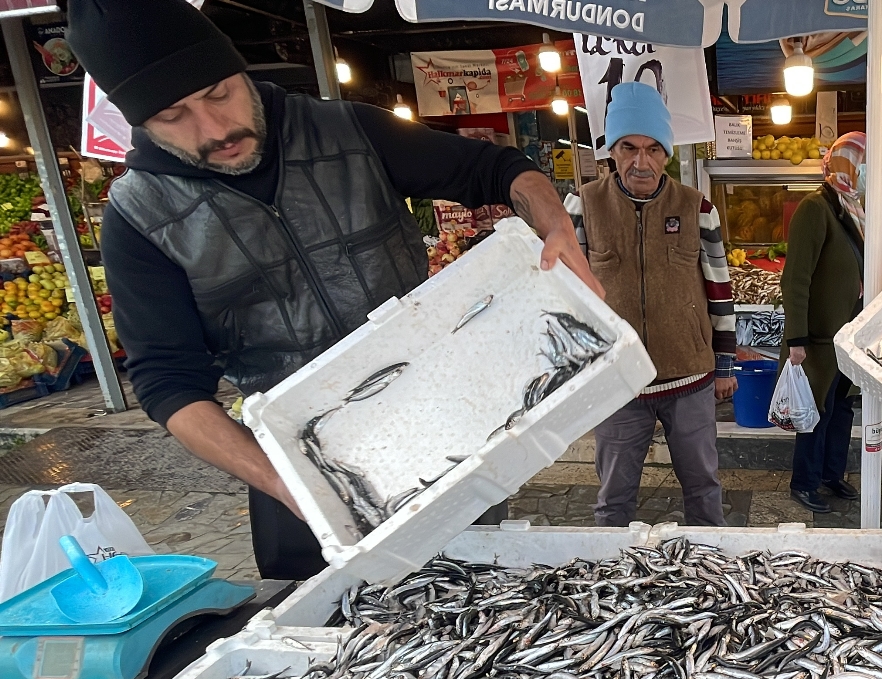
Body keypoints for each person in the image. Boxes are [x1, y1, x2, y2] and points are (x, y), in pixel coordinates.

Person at [68, 0, 599, 580]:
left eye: (219, 93)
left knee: (479, 594)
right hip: (299, 461)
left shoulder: (349, 129)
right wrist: (292, 484)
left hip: (441, 429)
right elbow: (168, 384)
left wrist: (553, 221)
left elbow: (495, 169)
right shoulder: (138, 218)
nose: (215, 129)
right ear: (138, 123)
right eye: (174, 115)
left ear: (242, 72)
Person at [564, 83, 737, 527]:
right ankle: (611, 582)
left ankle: (711, 575)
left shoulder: (698, 208)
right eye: (629, 147)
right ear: (611, 151)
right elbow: (566, 298)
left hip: (690, 376)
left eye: (653, 149)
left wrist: (724, 365)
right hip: (617, 382)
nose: (641, 161)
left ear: (667, 153)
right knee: (613, 498)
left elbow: (719, 288)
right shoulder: (582, 205)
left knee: (703, 488)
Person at [783, 133, 868, 514]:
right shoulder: (814, 208)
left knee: (842, 408)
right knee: (815, 412)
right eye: (860, 163)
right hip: (818, 339)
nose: (864, 172)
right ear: (844, 165)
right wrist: (796, 338)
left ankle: (831, 474)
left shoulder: (852, 209)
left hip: (848, 337)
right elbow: (796, 277)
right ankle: (804, 482)